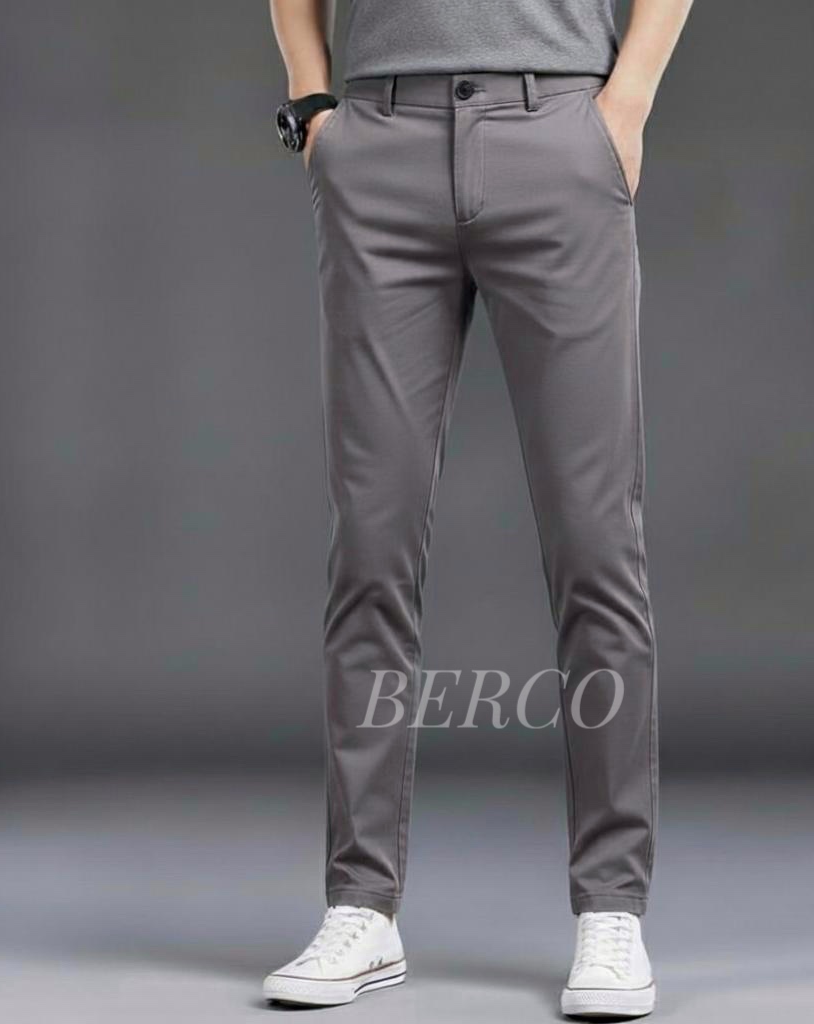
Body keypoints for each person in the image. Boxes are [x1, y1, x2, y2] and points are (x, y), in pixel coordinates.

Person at [265, 0, 693, 1016]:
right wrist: (313, 105)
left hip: (558, 137)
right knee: (371, 544)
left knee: (595, 540)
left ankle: (611, 906)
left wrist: (626, 104)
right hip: (379, 144)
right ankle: (361, 903)